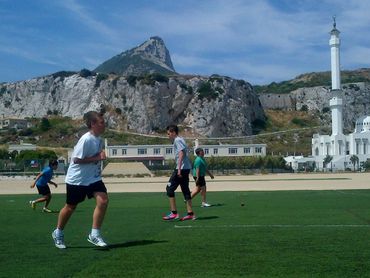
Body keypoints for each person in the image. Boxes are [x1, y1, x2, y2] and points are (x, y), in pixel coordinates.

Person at [52, 111, 109, 249]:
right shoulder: (86, 139)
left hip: (93, 178)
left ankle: (94, 234)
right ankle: (58, 232)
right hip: (77, 180)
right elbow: (76, 160)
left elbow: (95, 155)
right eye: (101, 123)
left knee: (103, 200)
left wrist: (100, 154)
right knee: (71, 207)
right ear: (93, 124)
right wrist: (97, 158)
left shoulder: (99, 139)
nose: (104, 125)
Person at [163, 125, 195, 221]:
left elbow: (181, 153)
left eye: (168, 134)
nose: (168, 136)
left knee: (169, 189)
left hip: (181, 169)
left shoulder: (177, 140)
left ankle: (174, 213)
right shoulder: (181, 139)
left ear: (173, 133)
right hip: (186, 168)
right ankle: (190, 214)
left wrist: (179, 169)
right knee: (185, 190)